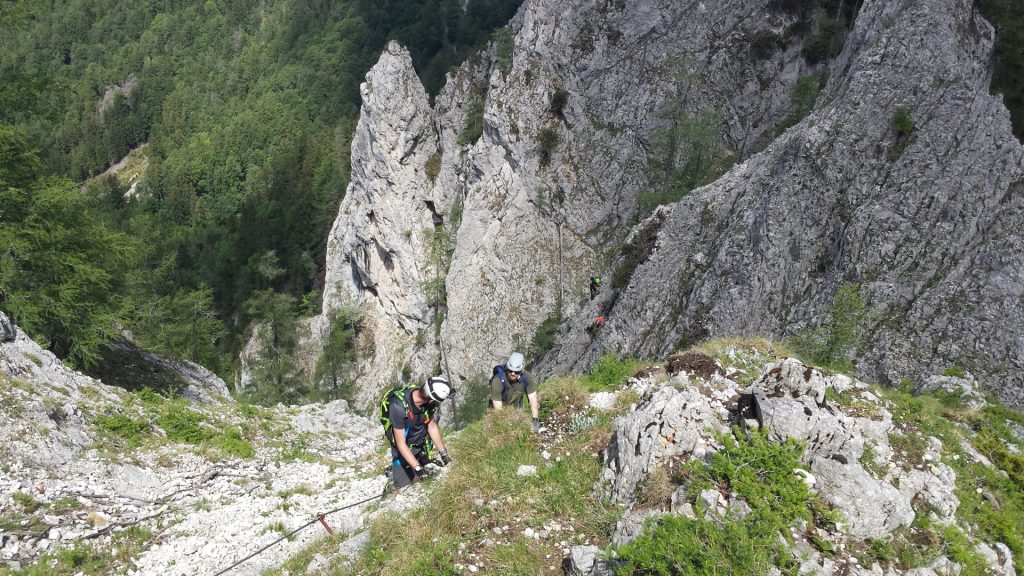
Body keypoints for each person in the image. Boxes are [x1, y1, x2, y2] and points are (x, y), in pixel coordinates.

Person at [380, 375, 454, 490]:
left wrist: (444, 454)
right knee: (401, 486)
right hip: (403, 450)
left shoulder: (426, 402)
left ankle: (420, 459)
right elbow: (401, 444)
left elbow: (432, 425)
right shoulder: (398, 406)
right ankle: (390, 487)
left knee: (420, 479)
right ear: (432, 401)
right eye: (438, 402)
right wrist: (418, 469)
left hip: (421, 444)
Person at [490, 352, 542, 432]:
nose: (513, 373)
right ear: (507, 368)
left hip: (517, 407)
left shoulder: (527, 378)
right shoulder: (497, 381)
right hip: (499, 409)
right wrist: (506, 426)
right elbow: (498, 410)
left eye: (516, 372)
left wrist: (535, 419)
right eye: (510, 371)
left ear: (522, 370)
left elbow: (533, 400)